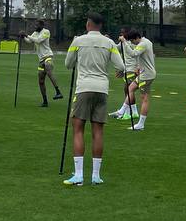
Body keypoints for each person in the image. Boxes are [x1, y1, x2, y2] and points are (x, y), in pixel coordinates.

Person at [63, 13, 125, 186]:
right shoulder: (109, 43)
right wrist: (120, 72)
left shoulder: (78, 41)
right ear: (101, 25)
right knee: (98, 132)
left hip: (84, 88)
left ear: (88, 24)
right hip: (102, 90)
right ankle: (96, 176)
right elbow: (121, 66)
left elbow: (68, 64)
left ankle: (79, 175)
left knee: (78, 129)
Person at [22, 19, 64, 106]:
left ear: (41, 25)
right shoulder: (35, 33)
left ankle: (58, 91)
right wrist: (23, 37)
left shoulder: (46, 32)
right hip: (41, 60)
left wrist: (27, 35)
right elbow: (29, 41)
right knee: (41, 81)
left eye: (37, 25)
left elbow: (38, 40)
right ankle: (45, 102)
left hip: (48, 56)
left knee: (48, 69)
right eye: (35, 25)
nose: (35, 26)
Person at [124, 30, 155, 132]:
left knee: (144, 98)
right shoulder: (146, 42)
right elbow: (141, 56)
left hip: (146, 75)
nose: (132, 43)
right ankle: (122, 110)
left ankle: (141, 124)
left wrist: (124, 42)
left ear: (137, 37)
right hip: (143, 73)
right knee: (130, 88)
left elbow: (133, 54)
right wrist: (138, 66)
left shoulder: (143, 44)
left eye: (132, 41)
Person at [110, 27, 140, 121]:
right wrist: (109, 41)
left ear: (127, 33)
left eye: (123, 33)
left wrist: (138, 67)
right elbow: (116, 48)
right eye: (121, 33)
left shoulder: (132, 43)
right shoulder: (123, 43)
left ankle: (126, 113)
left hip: (132, 69)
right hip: (127, 69)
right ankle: (134, 112)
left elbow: (137, 55)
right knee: (128, 91)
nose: (121, 35)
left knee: (128, 90)